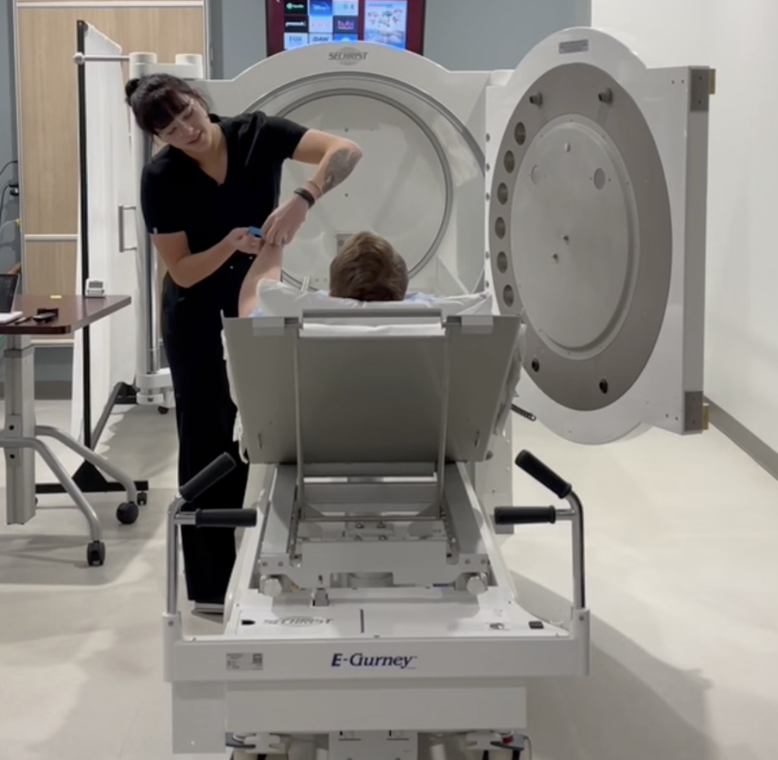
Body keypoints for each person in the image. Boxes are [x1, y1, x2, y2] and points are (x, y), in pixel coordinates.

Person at [125, 73, 363, 615]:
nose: (186, 130)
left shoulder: (258, 135)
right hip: (194, 311)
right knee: (206, 436)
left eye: (187, 113)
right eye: (169, 129)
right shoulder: (161, 177)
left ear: (199, 100)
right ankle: (210, 587)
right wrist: (230, 243)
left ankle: (284, 556)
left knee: (267, 427)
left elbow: (346, 150)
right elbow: (182, 271)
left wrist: (303, 198)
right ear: (158, 138)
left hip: (256, 297)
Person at [237, 231, 409, 317]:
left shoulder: (305, 317)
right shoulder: (422, 314)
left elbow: (250, 308)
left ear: (332, 294)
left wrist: (274, 240)